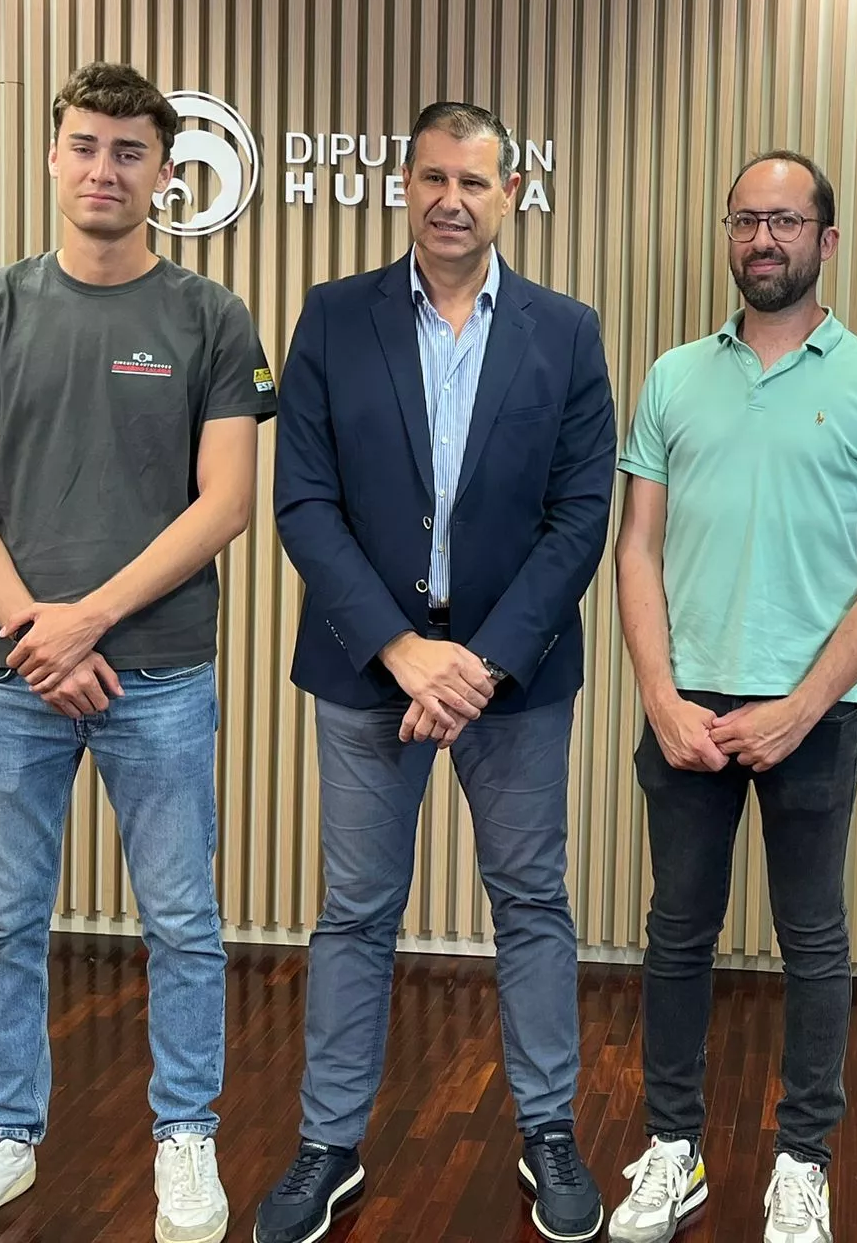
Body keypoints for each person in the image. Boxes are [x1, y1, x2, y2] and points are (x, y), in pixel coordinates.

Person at [0, 62, 278, 1243]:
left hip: (159, 673)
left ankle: (185, 1138)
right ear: (54, 156)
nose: (103, 169)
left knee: (179, 922)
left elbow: (222, 505)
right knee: (4, 924)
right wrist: (38, 631)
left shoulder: (210, 318)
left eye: (128, 151)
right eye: (84, 145)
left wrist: (89, 621)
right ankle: (3, 1136)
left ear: (165, 173)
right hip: (11, 677)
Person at [253, 101, 617, 1243]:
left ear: (511, 193)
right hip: (370, 670)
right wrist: (402, 651)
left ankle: (548, 1131)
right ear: (402, 186)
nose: (451, 199)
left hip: (514, 677)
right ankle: (327, 1146)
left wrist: (482, 663)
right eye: (431, 179)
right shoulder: (331, 317)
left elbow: (580, 516)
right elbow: (303, 503)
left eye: (474, 180)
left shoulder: (565, 331)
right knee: (355, 911)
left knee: (531, 903)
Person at [607, 152, 857, 1243]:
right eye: (746, 220)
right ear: (728, 233)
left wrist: (798, 707)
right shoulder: (670, 377)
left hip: (816, 713)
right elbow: (638, 546)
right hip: (687, 707)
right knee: (676, 935)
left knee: (813, 941)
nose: (763, 239)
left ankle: (802, 1163)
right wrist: (656, 692)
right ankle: (672, 1149)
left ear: (825, 242)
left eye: (785, 222)